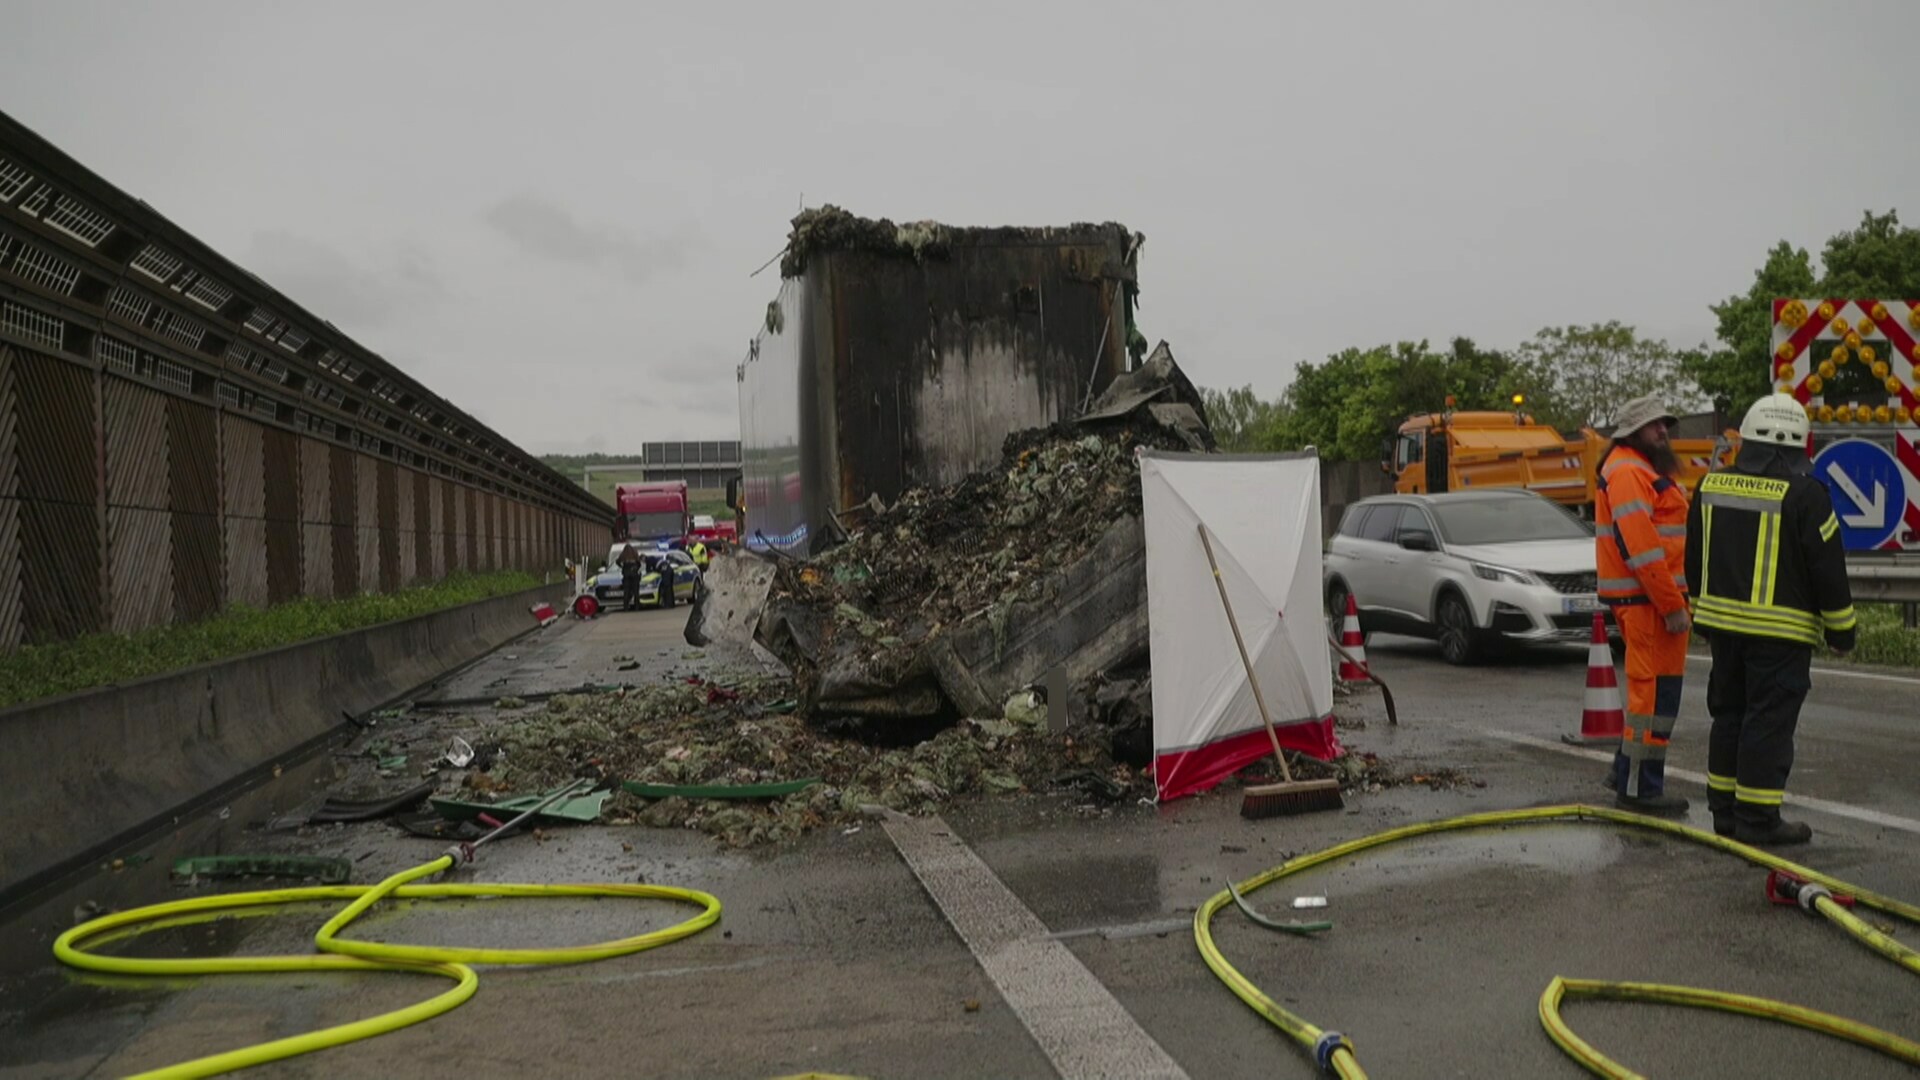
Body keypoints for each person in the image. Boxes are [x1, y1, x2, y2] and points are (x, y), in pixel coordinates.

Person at [1685, 393, 1855, 846]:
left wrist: (1702, 613)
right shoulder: (1806, 494)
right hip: (1780, 636)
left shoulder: (1710, 485)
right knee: (1767, 723)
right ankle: (1758, 820)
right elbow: (1827, 568)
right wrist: (1842, 631)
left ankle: (1724, 814)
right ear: (1792, 445)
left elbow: (1695, 557)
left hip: (1722, 629)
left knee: (1729, 716)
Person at [1596, 394, 1692, 815]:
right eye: (1655, 425)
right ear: (1633, 431)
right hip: (1648, 603)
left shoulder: (1637, 468)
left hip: (1648, 600)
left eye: (1664, 424)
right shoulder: (1629, 471)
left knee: (1654, 697)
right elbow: (1642, 548)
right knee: (1651, 701)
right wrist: (1671, 605)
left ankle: (1625, 773)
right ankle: (1640, 790)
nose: (1663, 431)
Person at [617, 543, 643, 611]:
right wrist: (635, 569)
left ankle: (625, 607)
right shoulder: (635, 554)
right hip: (634, 575)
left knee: (626, 592)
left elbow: (617, 561)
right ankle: (637, 607)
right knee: (636, 592)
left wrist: (622, 566)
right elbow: (639, 564)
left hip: (626, 575)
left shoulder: (623, 555)